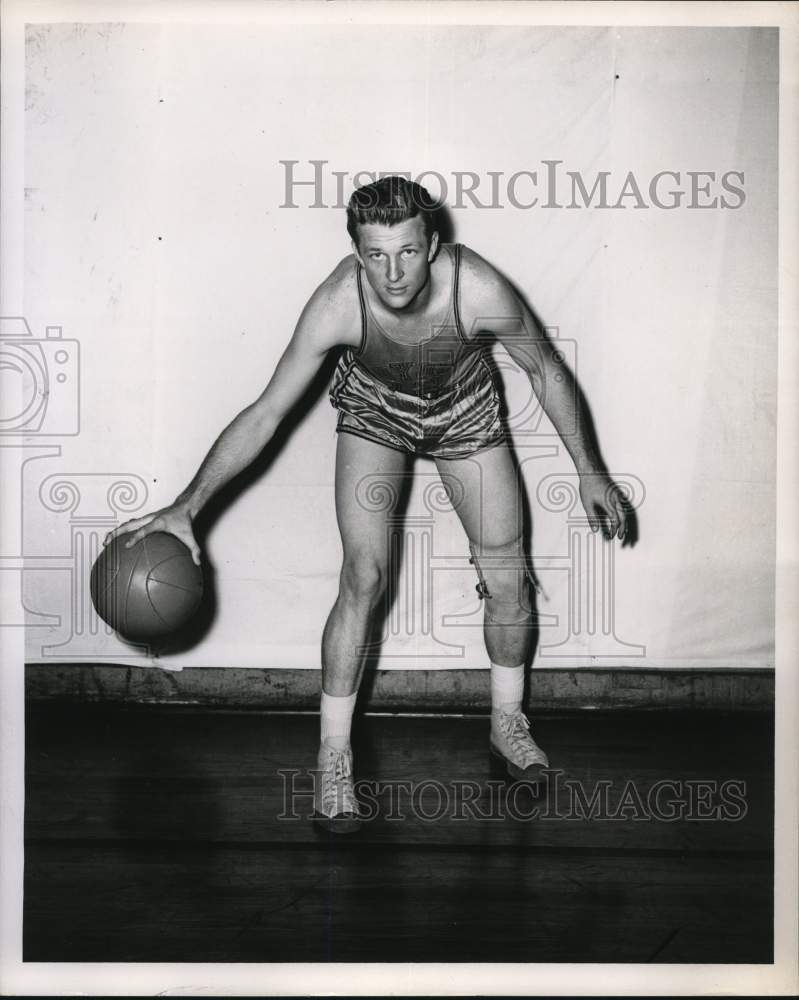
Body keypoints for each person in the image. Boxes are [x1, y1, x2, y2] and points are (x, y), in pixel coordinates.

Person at [105, 176, 629, 834]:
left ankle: (505, 721)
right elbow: (267, 410)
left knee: (507, 580)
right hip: (375, 417)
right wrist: (188, 506)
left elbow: (544, 369)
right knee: (362, 577)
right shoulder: (336, 304)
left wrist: (588, 470)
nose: (393, 272)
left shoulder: (478, 288)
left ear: (432, 244)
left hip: (467, 417)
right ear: (357, 254)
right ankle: (333, 753)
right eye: (376, 255)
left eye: (407, 252)